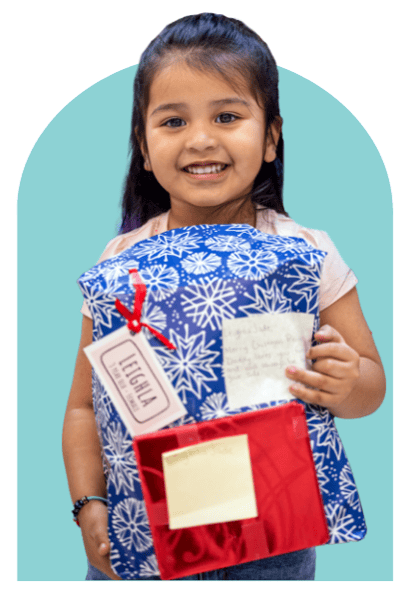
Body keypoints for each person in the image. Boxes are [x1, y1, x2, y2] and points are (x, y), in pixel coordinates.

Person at [62, 12, 386, 581]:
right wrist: (89, 502)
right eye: (173, 121)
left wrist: (346, 380)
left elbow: (369, 388)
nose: (202, 138)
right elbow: (84, 406)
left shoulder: (306, 251)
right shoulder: (119, 265)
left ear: (271, 138)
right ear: (143, 145)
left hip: (272, 537)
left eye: (228, 116)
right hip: (148, 532)